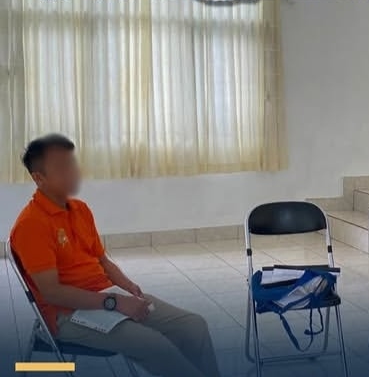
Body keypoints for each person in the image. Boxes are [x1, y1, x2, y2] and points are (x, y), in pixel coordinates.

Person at [9, 134, 222, 377]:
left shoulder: (80, 209)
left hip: (107, 297)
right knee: (155, 346)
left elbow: (102, 261)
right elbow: (53, 293)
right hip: (68, 314)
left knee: (193, 327)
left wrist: (128, 288)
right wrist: (116, 302)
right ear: (39, 178)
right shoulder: (31, 225)